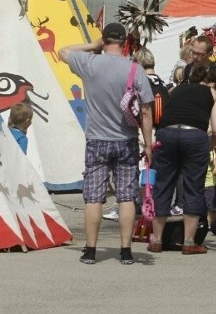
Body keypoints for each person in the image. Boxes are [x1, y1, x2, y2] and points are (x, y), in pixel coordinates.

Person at [59, 23, 154, 266]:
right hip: (126, 140)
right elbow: (145, 111)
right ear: (124, 43)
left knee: (93, 197)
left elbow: (63, 51)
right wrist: (149, 144)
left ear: (105, 40)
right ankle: (125, 251)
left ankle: (90, 250)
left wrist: (93, 45)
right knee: (126, 197)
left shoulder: (89, 64)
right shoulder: (135, 70)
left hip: (96, 139)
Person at [148, 64, 216, 255]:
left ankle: (156, 239)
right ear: (210, 80)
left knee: (163, 184)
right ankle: (189, 242)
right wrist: (208, 146)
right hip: (194, 136)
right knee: (193, 186)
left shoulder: (175, 90)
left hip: (167, 134)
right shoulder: (212, 94)